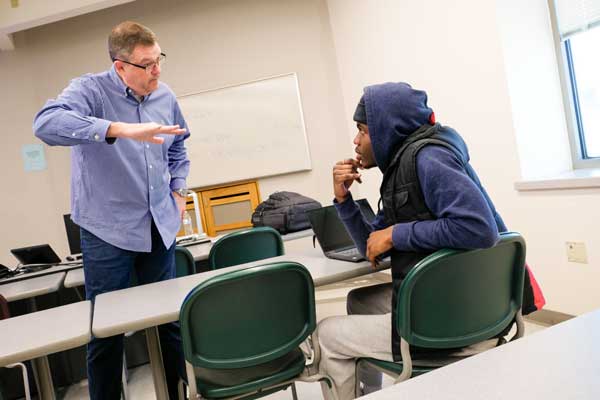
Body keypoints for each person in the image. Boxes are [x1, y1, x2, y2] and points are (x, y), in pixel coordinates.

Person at [316, 82, 541, 399]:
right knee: (359, 301)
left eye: (362, 130)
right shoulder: (403, 168)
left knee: (325, 334)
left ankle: (407, 358)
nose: (355, 140)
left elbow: (479, 228)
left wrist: (396, 234)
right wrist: (344, 203)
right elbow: (373, 248)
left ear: (385, 130)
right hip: (465, 300)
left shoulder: (427, 159)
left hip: (459, 322)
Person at [33, 21, 189, 400]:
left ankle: (180, 393)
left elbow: (178, 148)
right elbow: (46, 124)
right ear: (120, 66)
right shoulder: (90, 90)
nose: (157, 71)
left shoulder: (164, 95)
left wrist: (179, 190)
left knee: (169, 322)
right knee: (106, 331)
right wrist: (117, 128)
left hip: (158, 226)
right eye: (147, 64)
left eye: (158, 60)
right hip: (108, 232)